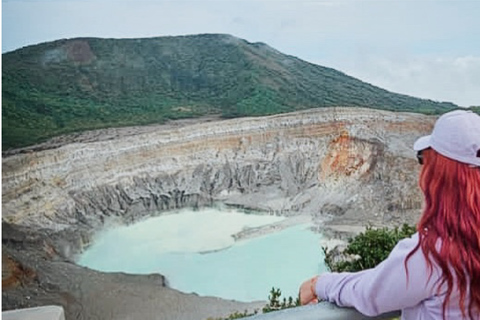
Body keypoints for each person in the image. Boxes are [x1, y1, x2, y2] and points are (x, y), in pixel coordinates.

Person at [299, 110, 480, 320]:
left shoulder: (433, 255)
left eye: (425, 159)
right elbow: (390, 279)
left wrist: (318, 283)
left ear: (439, 174)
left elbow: (370, 294)